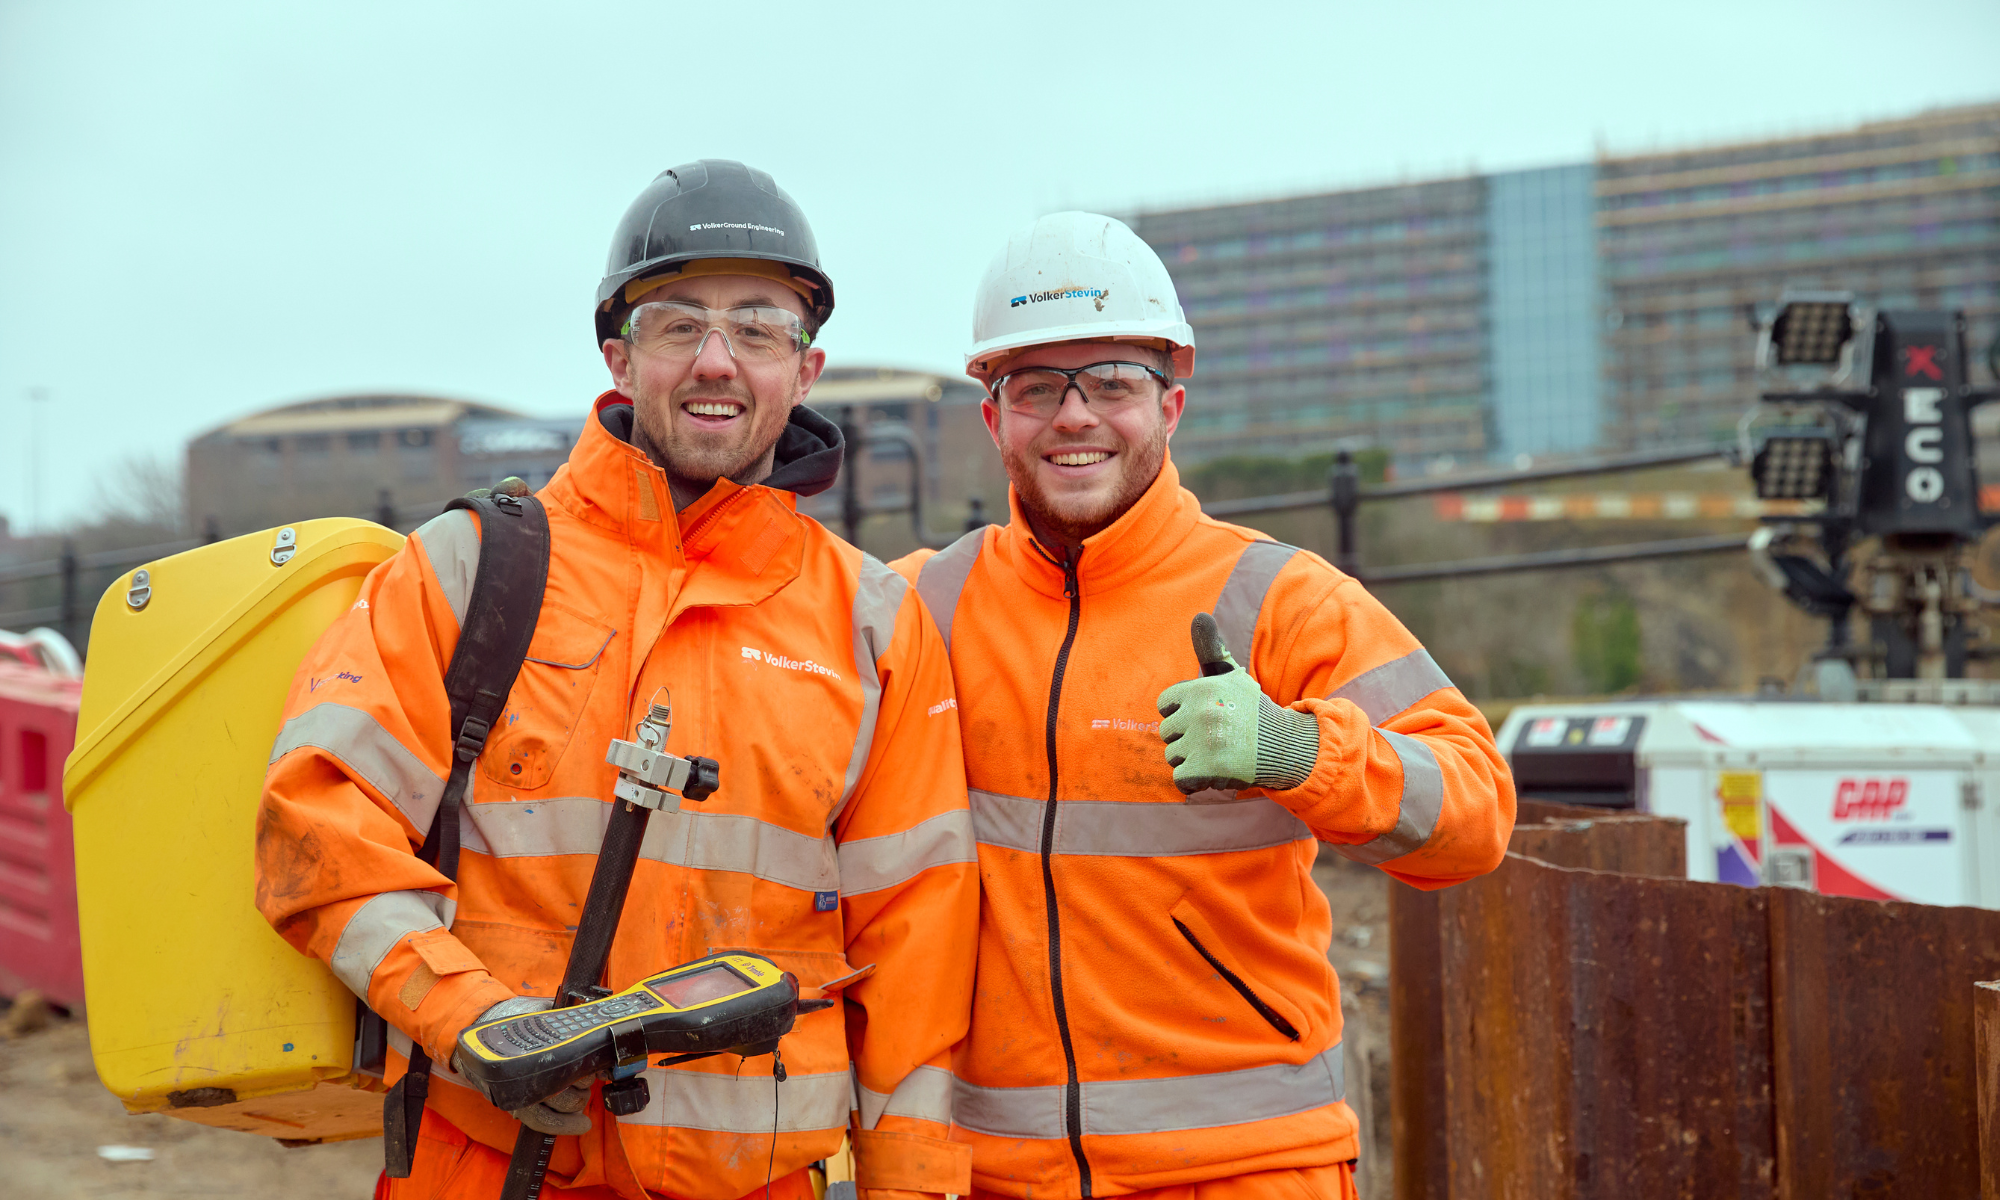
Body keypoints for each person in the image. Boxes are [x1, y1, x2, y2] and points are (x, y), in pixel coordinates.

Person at [257, 160, 977, 1200]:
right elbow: (318, 829)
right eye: (677, 324)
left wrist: (912, 1185)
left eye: (759, 330)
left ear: (806, 369)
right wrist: (475, 1025)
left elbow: (917, 940)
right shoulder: (469, 571)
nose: (715, 362)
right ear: (618, 355)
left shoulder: (873, 626)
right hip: (493, 1167)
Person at [892, 212, 1515, 1200]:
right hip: (997, 1174)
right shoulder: (928, 603)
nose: (1073, 417)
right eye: (1037, 387)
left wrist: (1297, 752)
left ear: (1170, 407)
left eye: (1110, 384)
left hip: (1246, 1167)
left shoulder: (1278, 601)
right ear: (992, 417)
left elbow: (1473, 815)